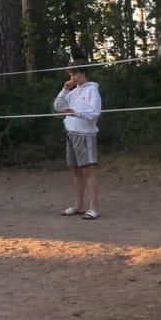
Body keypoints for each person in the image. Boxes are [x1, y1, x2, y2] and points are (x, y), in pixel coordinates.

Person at [53, 60, 102, 219]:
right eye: (71, 75)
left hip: (85, 135)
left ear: (83, 73)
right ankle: (78, 205)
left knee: (88, 171)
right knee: (76, 172)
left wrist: (76, 113)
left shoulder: (92, 90)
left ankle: (93, 208)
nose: (72, 77)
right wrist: (65, 89)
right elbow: (58, 107)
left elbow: (94, 112)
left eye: (75, 74)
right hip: (71, 134)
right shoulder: (72, 91)